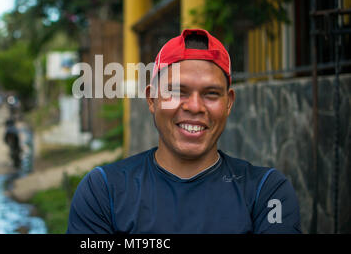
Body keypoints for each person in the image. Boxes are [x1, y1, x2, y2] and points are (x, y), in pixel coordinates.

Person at [67, 29, 301, 234]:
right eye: (178, 91)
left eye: (211, 93)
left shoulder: (266, 192)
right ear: (152, 99)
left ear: (229, 103)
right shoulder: (104, 190)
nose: (195, 107)